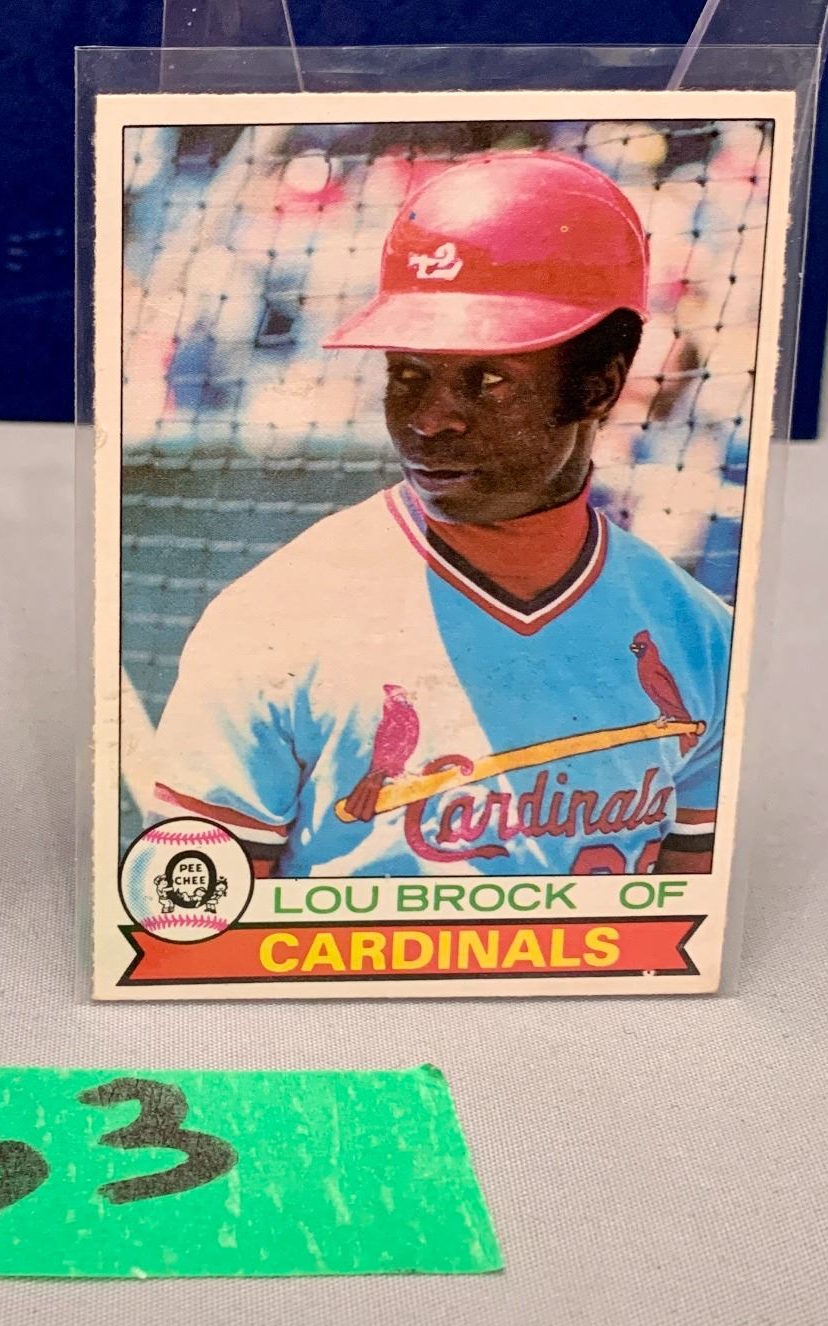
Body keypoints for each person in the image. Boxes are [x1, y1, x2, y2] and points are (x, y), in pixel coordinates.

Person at [149, 152, 730, 879]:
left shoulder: (701, 640)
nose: (430, 420)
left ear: (599, 387)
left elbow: (694, 924)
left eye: (488, 380)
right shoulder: (271, 624)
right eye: (407, 375)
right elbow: (194, 923)